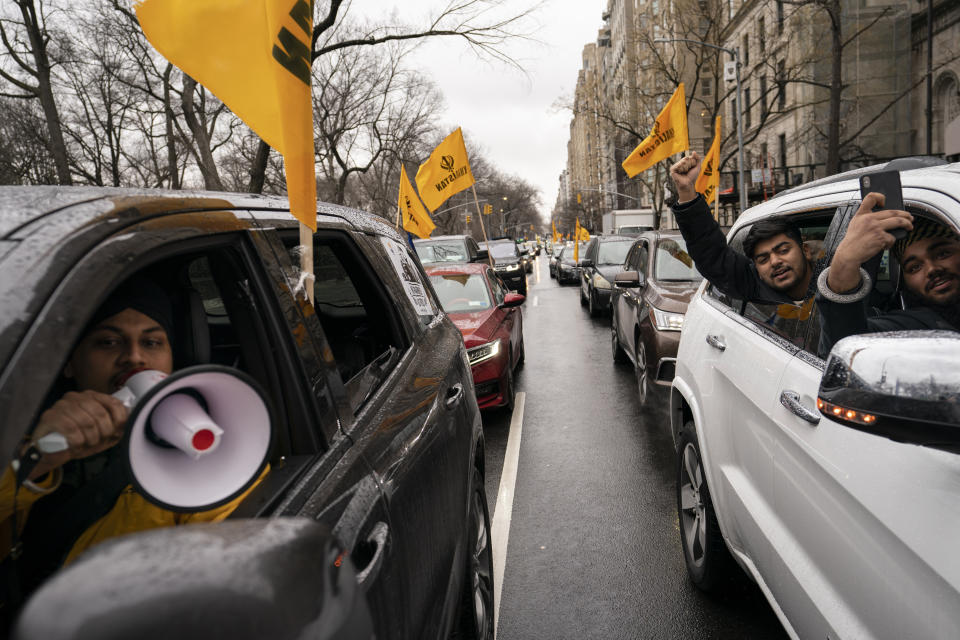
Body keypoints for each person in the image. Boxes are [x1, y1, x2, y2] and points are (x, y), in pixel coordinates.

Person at [0, 277, 262, 592]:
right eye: (108, 342)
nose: (134, 357)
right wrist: (33, 463)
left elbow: (225, 576)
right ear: (69, 362)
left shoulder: (214, 452)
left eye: (152, 342)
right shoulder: (15, 431)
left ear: (170, 359)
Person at [669, 151, 817, 303]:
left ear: (805, 250)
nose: (775, 262)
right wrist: (686, 191)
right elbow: (712, 256)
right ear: (757, 271)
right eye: (763, 259)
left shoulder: (836, 280)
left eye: (783, 250)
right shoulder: (756, 289)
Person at [817, 192, 959, 350]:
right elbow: (848, 343)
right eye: (915, 267)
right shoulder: (915, 329)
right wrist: (844, 262)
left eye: (943, 254)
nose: (932, 269)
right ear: (905, 280)